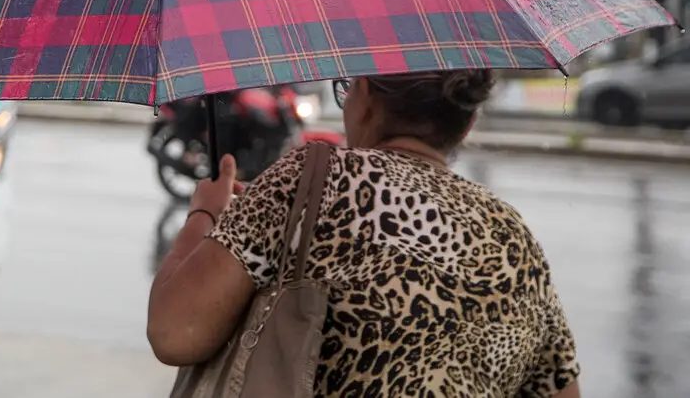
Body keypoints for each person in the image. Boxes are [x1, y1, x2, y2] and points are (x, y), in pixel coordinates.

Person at [146, 70, 582, 398]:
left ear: (365, 97)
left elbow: (175, 331)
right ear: (466, 125)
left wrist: (205, 211)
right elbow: (559, 385)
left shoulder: (314, 179)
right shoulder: (513, 235)